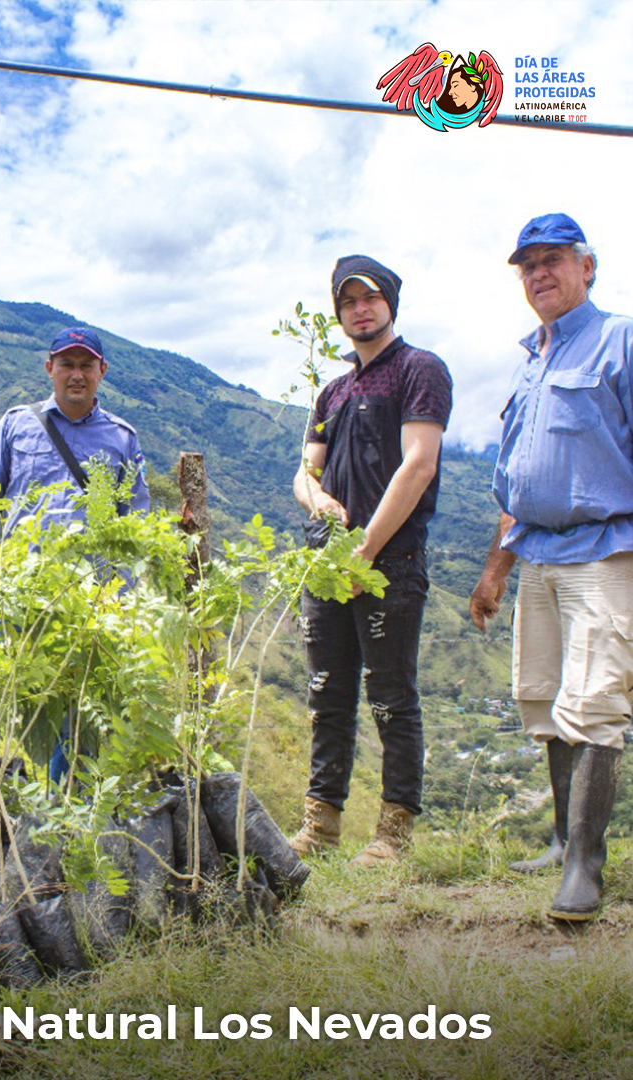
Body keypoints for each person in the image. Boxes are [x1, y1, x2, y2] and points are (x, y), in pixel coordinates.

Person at [470, 213, 633, 920]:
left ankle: (586, 867)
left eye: (553, 260)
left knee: (594, 702)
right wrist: (495, 569)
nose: (539, 274)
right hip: (535, 551)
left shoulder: (619, 340)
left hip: (605, 548)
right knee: (544, 698)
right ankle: (563, 837)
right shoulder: (529, 361)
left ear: (586, 266)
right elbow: (517, 481)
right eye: (527, 265)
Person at [289, 256, 453, 866]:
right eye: (348, 300)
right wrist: (319, 498)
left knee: (390, 695)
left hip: (391, 562)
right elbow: (303, 474)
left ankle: (392, 836)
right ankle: (320, 828)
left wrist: (367, 547)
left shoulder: (419, 369)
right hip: (327, 566)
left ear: (391, 303)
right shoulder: (333, 391)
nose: (361, 308)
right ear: (339, 313)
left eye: (371, 297)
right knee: (326, 693)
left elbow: (419, 464)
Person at [0, 327, 150, 780]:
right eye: (66, 364)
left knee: (78, 713)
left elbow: (137, 525)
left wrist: (117, 598)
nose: (76, 375)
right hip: (10, 594)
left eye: (86, 365)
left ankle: (62, 818)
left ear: (102, 372)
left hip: (86, 603)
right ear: (49, 368)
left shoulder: (122, 438)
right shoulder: (15, 424)